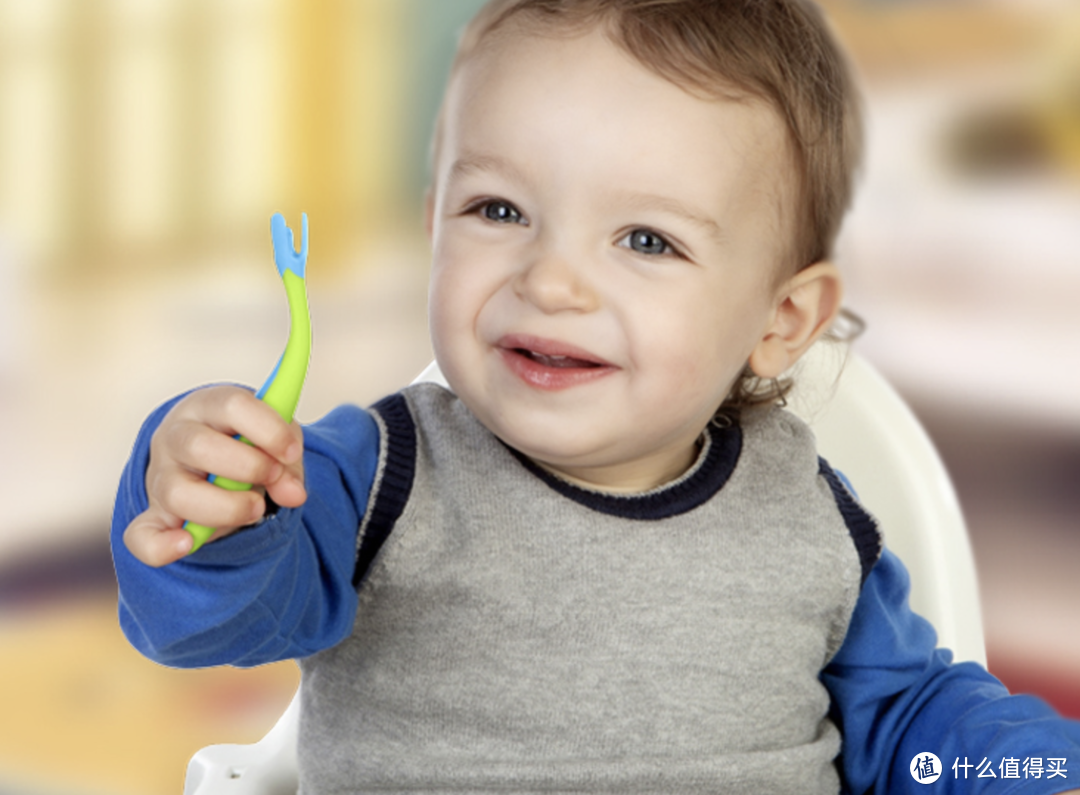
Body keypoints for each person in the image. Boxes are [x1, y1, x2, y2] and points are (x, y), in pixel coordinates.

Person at [111, 1, 1080, 792]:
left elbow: (908, 722)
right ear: (432, 225)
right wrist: (215, 511)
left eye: (647, 240)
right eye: (498, 210)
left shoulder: (810, 516)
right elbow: (208, 623)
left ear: (782, 319)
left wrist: (1031, 765)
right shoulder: (365, 477)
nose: (552, 281)